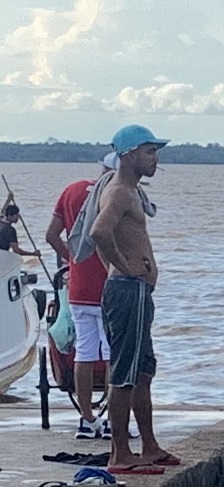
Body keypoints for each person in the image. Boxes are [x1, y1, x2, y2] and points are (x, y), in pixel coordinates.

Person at [91, 124, 175, 475]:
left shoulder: (131, 192)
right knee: (124, 371)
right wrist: (123, 268)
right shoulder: (121, 191)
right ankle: (120, 453)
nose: (155, 159)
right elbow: (98, 232)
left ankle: (149, 445)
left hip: (135, 290)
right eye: (149, 152)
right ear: (129, 154)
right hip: (127, 290)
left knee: (143, 369)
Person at [46, 154, 117, 439]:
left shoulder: (72, 191)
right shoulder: (115, 195)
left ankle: (87, 420)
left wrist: (73, 258)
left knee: (85, 352)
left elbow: (51, 235)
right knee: (113, 354)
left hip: (78, 288)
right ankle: (114, 419)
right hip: (108, 285)